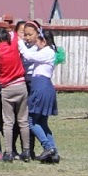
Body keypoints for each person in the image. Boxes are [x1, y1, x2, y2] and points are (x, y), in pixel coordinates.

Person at [17, 20, 62, 164]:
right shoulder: (45, 51)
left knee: (31, 120)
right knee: (42, 122)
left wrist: (18, 41)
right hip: (42, 86)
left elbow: (28, 56)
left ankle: (48, 147)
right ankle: (53, 152)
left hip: (41, 87)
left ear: (44, 40)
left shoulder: (47, 52)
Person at [0, 22, 29, 161]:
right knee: (23, 120)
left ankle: (8, 152)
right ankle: (25, 151)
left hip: (7, 88)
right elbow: (14, 33)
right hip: (21, 85)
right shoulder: (13, 44)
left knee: (8, 122)